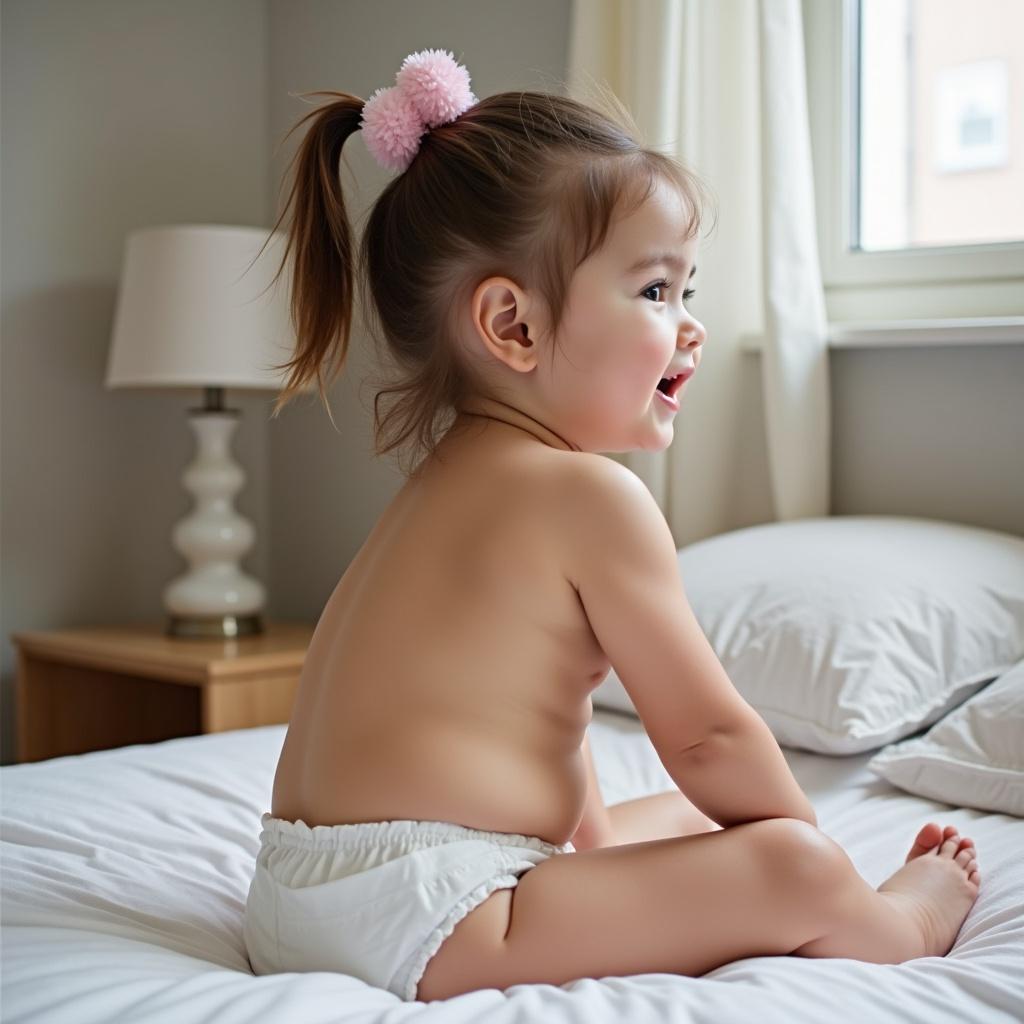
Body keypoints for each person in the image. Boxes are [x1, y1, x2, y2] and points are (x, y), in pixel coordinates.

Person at [242, 48, 980, 1004]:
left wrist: (601, 857)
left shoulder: (441, 482)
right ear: (514, 326)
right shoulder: (594, 497)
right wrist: (807, 848)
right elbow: (712, 737)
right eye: (654, 291)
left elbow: (549, 724)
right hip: (438, 916)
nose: (689, 325)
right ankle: (897, 922)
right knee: (780, 864)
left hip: (299, 895)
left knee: (680, 817)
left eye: (688, 291)